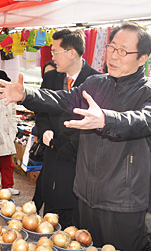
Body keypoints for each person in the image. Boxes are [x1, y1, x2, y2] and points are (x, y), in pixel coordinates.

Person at [0, 22, 151, 251]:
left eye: (123, 51)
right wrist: (26, 95)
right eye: (112, 48)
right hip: (85, 196)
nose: (114, 56)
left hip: (122, 203)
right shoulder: (95, 84)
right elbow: (62, 99)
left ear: (142, 58)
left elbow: (144, 121)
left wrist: (105, 119)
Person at [35, 29, 101, 228]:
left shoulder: (97, 81)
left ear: (71, 53)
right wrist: (44, 128)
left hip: (78, 159)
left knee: (73, 219)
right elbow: (40, 109)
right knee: (50, 213)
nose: (52, 56)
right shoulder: (51, 78)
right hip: (52, 155)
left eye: (55, 52)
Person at [31, 60, 58, 211]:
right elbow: (40, 113)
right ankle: (34, 207)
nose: (49, 75)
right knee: (44, 179)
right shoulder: (45, 89)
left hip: (58, 145)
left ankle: (35, 206)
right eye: (46, 73)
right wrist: (41, 131)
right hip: (47, 143)